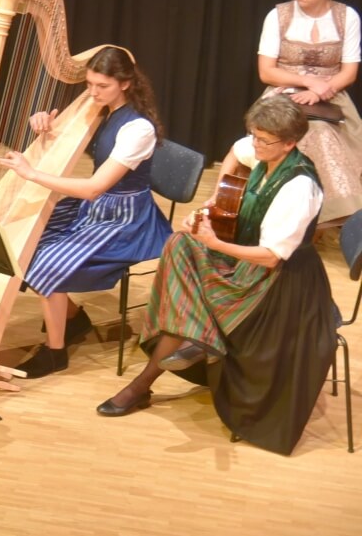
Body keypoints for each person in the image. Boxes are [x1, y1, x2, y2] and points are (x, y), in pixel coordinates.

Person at [96, 95, 337, 454]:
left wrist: (213, 241)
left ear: (289, 142)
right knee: (180, 244)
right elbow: (237, 152)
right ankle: (195, 341)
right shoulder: (263, 150)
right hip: (248, 261)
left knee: (193, 259)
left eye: (263, 139)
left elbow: (271, 257)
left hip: (280, 283)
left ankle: (148, 378)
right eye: (254, 135)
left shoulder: (299, 188)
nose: (255, 144)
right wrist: (218, 200)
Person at [0, 46, 172, 378]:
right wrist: (44, 123)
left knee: (43, 261)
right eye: (89, 84)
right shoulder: (102, 107)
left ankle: (55, 353)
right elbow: (67, 144)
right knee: (22, 239)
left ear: (126, 83)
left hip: (124, 218)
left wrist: (31, 173)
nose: (92, 92)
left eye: (101, 86)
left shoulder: (138, 129)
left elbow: (94, 188)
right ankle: (74, 318)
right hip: (96, 207)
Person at [257, 0, 362, 225]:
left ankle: (331, 215)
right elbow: (266, 72)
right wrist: (306, 81)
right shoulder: (278, 16)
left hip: (330, 96)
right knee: (302, 132)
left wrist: (319, 90)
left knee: (324, 131)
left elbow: (349, 72)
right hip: (283, 94)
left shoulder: (346, 17)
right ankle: (287, 213)